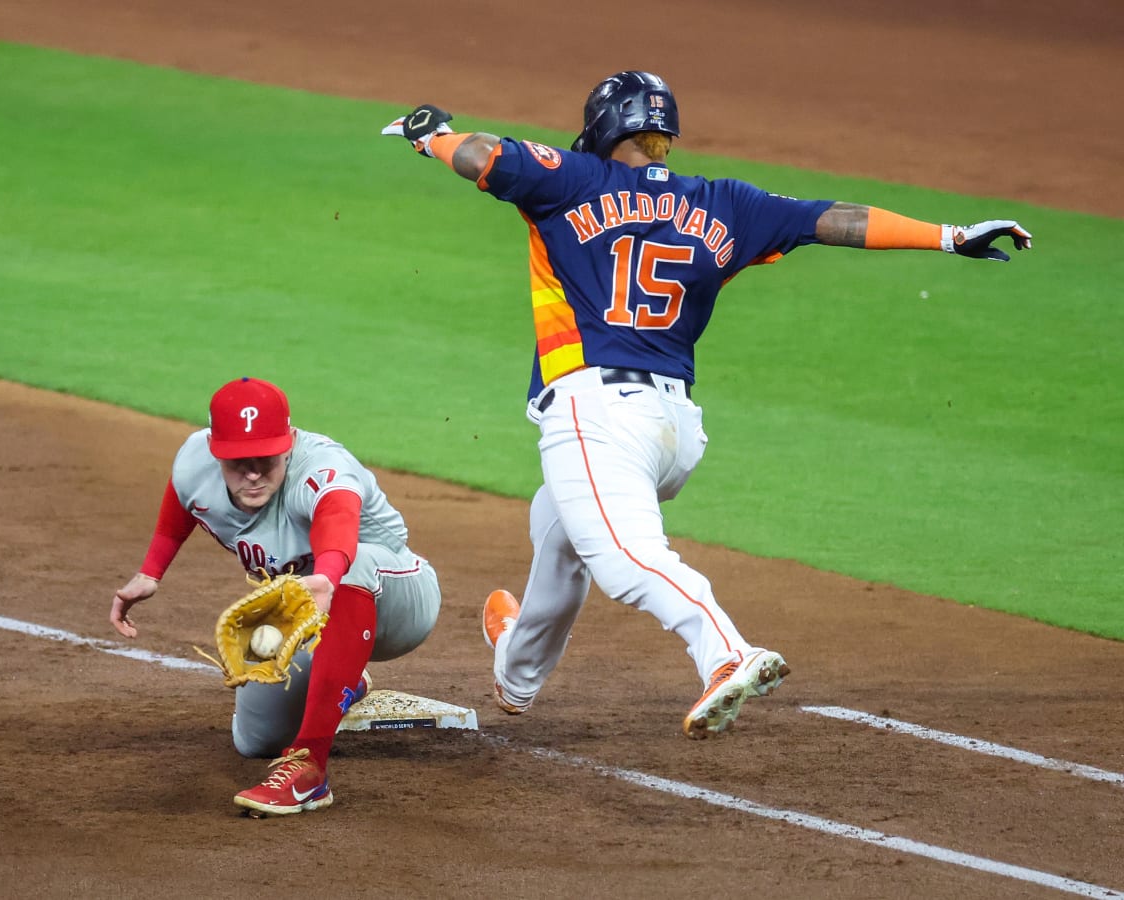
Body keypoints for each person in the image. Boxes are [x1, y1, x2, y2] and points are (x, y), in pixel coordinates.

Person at [383, 71, 1031, 739]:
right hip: (673, 434)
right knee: (559, 532)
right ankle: (516, 672)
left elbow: (482, 154)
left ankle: (725, 653)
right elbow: (835, 220)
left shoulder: (573, 178)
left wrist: (429, 135)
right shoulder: (726, 202)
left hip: (596, 416)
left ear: (604, 128)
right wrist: (951, 235)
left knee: (625, 557)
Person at [110, 376, 442, 815]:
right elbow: (184, 492)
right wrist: (151, 571)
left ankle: (310, 773)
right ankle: (344, 682)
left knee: (351, 564)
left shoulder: (322, 468)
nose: (252, 473)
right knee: (255, 741)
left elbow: (338, 513)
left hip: (397, 599)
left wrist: (325, 576)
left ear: (288, 444)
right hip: (307, 614)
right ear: (215, 451)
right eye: (236, 461)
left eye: (266, 459)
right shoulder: (195, 460)